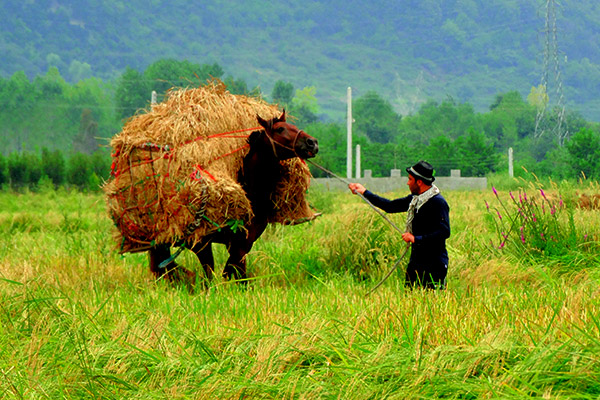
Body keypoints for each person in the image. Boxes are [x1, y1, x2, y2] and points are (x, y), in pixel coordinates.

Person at [348, 160, 450, 289]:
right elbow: (390, 206)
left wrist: (415, 239)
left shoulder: (438, 203)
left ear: (419, 182)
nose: (407, 183)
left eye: (410, 179)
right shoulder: (415, 199)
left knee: (432, 303)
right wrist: (364, 192)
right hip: (417, 262)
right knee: (410, 301)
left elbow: (444, 232)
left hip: (434, 265)